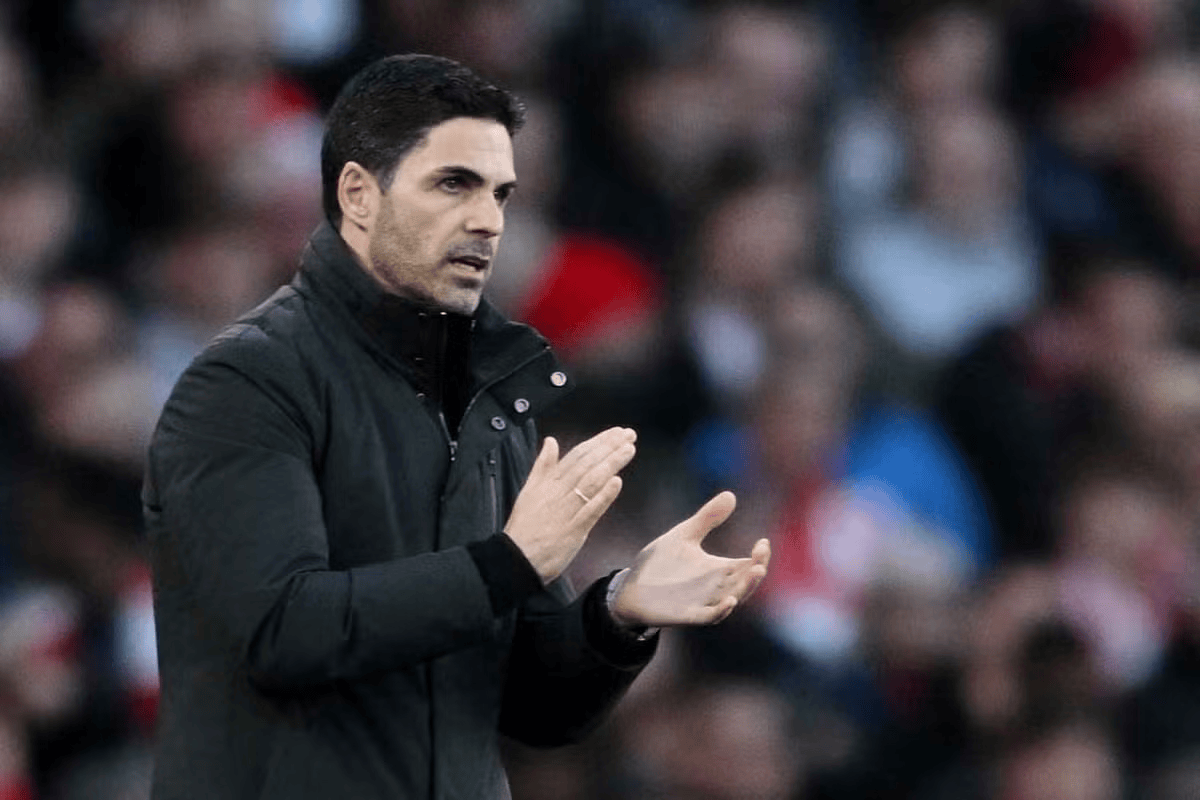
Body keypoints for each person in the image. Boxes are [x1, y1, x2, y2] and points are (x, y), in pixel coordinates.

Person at [141, 53, 770, 800]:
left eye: (501, 193)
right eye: (453, 185)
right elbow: (281, 633)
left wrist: (615, 612)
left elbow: (530, 706)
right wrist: (504, 564)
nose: (488, 221)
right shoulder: (246, 384)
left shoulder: (487, 398)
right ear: (358, 195)